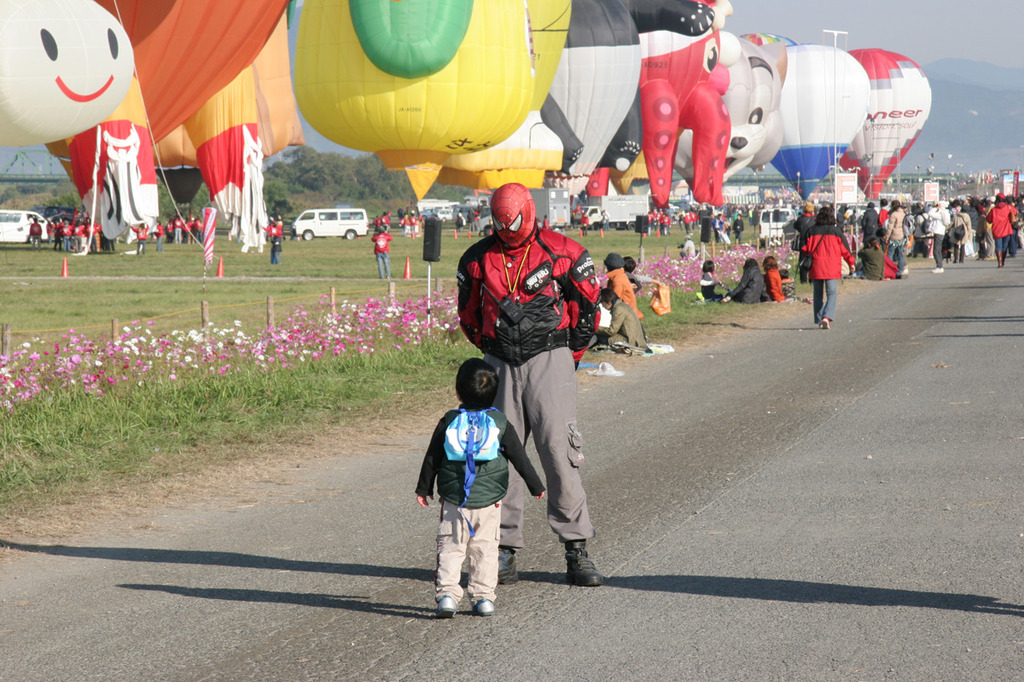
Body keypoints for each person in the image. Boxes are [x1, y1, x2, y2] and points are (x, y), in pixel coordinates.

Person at [457, 182, 604, 587]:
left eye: (513, 223)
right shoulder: (475, 259)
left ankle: (576, 550)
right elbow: (467, 316)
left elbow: (588, 309)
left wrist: (567, 357)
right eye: (499, 224)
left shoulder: (564, 251)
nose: (507, 231)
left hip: (550, 358)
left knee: (559, 451)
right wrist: (492, 352)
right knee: (497, 456)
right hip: (499, 363)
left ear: (529, 212)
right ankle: (502, 552)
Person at [416, 358, 545, 618]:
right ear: (494, 393)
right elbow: (520, 457)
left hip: (454, 502)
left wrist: (424, 487)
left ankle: (448, 597)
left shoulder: (449, 421)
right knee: (485, 550)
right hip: (490, 502)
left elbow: (432, 457)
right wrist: (535, 485)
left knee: (451, 548)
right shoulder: (500, 423)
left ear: (458, 391)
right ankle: (483, 598)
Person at [802, 204, 855, 329]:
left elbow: (806, 248)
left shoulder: (811, 231)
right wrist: (851, 263)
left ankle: (819, 318)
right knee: (831, 293)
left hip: (816, 266)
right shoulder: (836, 232)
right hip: (832, 266)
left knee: (818, 294)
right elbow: (845, 250)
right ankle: (827, 317)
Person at [596, 288, 647, 352]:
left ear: (608, 302)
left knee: (598, 337)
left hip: (630, 341)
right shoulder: (622, 305)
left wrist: (595, 328)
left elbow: (611, 331)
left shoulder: (618, 309)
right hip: (636, 339)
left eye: (602, 302)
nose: (602, 306)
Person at [604, 252, 643, 321]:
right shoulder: (619, 276)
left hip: (626, 316)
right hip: (627, 312)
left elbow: (614, 300)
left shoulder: (617, 279)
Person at [986, 193, 1017, 268]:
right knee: (1004, 246)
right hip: (1007, 229)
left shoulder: (993, 210)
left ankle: (999, 262)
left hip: (997, 230)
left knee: (998, 246)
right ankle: (1002, 261)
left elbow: (988, 220)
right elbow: (1015, 212)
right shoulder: (1009, 208)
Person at [793, 201, 817, 283]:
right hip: (814, 242)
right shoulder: (816, 219)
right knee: (813, 261)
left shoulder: (801, 219)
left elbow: (795, 226)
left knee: (802, 261)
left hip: (803, 242)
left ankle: (803, 280)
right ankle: (812, 279)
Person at [883, 200, 908, 278]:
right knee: (900, 254)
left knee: (890, 253)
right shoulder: (903, 213)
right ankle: (900, 270)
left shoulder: (893, 215)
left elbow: (890, 227)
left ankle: (891, 269)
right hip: (902, 235)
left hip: (894, 235)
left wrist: (887, 237)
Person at [926, 201, 950, 273]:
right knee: (938, 250)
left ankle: (939, 266)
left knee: (936, 250)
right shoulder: (945, 212)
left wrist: (936, 208)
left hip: (938, 232)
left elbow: (930, 213)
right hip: (941, 232)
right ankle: (939, 265)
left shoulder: (941, 213)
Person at [948, 200, 972, 264]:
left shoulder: (956, 215)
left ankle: (956, 259)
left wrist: (947, 229)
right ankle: (961, 259)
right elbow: (968, 225)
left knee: (956, 245)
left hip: (956, 231)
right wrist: (969, 233)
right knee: (963, 245)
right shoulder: (966, 216)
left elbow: (951, 224)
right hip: (964, 231)